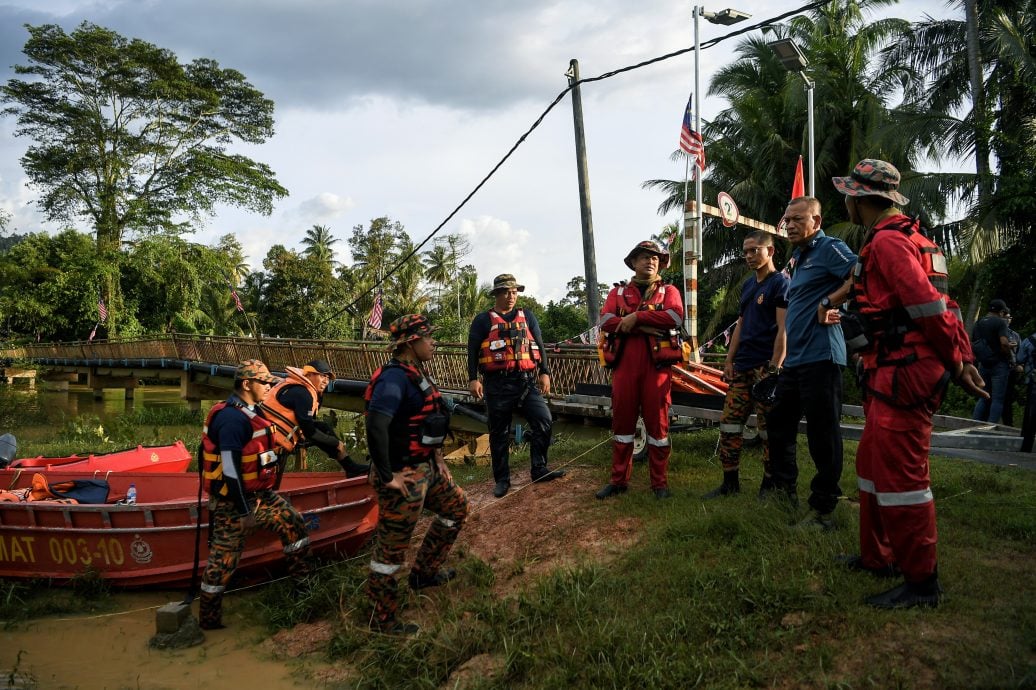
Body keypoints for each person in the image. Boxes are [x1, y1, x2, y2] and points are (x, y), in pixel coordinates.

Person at [832, 158, 986, 608]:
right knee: (871, 464)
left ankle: (922, 583)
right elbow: (946, 305)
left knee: (903, 476)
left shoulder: (887, 245)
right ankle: (878, 557)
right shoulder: (917, 240)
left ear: (857, 198)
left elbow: (926, 307)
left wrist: (958, 361)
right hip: (894, 369)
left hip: (906, 372)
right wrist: (963, 356)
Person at [365, 314, 469, 635]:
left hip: (427, 467)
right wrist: (387, 476)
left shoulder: (414, 374)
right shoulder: (392, 380)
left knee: (457, 508)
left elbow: (428, 421)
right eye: (428, 338)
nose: (433, 342)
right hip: (403, 474)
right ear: (411, 343)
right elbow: (376, 425)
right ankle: (382, 619)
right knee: (391, 551)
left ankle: (424, 574)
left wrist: (438, 457)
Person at [764, 196, 856, 529]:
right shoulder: (799, 257)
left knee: (823, 435)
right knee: (778, 423)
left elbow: (861, 273)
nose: (789, 224)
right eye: (786, 219)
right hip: (797, 361)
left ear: (816, 222)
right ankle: (784, 490)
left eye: (798, 219)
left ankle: (824, 508)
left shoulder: (829, 248)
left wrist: (831, 302)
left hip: (823, 357)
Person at [199, 360, 312, 630]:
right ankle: (209, 621)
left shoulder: (251, 411)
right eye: (264, 383)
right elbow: (229, 467)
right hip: (234, 502)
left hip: (261, 495)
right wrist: (243, 511)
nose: (269, 387)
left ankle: (304, 592)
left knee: (294, 523)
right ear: (246, 384)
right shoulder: (231, 419)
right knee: (223, 561)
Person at [596, 240, 684, 500]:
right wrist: (642, 325)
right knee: (622, 426)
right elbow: (605, 321)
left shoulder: (669, 291)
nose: (651, 261)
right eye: (644, 257)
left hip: (656, 369)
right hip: (624, 367)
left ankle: (660, 484)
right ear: (633, 262)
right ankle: (618, 480)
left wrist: (637, 318)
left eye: (655, 258)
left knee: (658, 427)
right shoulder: (617, 293)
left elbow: (675, 317)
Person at [704, 230, 788, 499]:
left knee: (767, 431)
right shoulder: (749, 285)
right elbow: (740, 324)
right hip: (742, 366)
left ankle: (769, 484)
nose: (750, 256)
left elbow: (784, 330)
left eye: (755, 250)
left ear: (770, 251)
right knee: (729, 424)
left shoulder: (780, 283)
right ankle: (730, 483)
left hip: (766, 367)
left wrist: (775, 368)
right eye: (746, 251)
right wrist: (729, 359)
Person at [467, 273, 564, 498]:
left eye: (514, 292)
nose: (511, 296)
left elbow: (539, 344)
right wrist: (473, 378)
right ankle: (502, 480)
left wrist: (545, 372)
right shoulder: (483, 320)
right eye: (506, 292)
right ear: (497, 294)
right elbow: (472, 350)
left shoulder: (528, 316)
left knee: (544, 420)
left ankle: (539, 468)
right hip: (496, 384)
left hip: (526, 381)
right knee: (498, 433)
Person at [260, 358, 369, 476]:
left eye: (328, 378)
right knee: (265, 478)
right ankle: (264, 488)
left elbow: (309, 424)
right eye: (322, 376)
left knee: (322, 427)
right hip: (267, 447)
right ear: (309, 374)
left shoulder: (298, 387)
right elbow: (309, 432)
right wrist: (336, 443)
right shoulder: (302, 394)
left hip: (271, 438)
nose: (325, 381)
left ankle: (350, 467)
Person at [971, 299, 1015, 423]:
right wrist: (1009, 355)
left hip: (983, 364)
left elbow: (974, 342)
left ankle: (974, 425)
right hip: (999, 364)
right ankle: (990, 430)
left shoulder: (979, 322)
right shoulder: (1000, 323)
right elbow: (1004, 343)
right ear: (1001, 312)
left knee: (983, 397)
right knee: (997, 399)